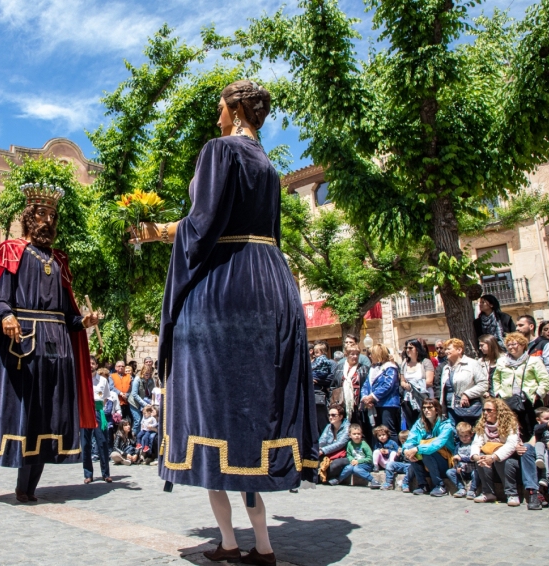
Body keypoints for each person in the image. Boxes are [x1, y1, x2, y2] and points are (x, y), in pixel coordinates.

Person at [134, 80, 318, 565]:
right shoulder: (270, 167)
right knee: (254, 420)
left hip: (226, 288)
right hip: (273, 284)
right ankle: (261, 545)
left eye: (220, 105)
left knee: (213, 418)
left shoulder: (220, 151)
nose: (216, 113)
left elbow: (202, 225)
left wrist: (155, 232)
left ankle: (231, 542)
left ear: (235, 109)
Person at [0, 181, 100, 505]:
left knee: (47, 420)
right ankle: (22, 487)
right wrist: (6, 316)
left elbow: (68, 315)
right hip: (23, 348)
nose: (48, 220)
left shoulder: (59, 261)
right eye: (41, 213)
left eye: (52, 215)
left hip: (57, 351)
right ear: (29, 217)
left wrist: (83, 321)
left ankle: (31, 487)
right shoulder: (13, 251)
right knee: (26, 418)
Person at [492, 332, 549, 441]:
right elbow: (496, 379)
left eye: (514, 344)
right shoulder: (501, 361)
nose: (511, 347)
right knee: (513, 430)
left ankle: (532, 452)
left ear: (523, 345)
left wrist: (538, 394)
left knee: (531, 429)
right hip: (508, 401)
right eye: (508, 345)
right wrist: (498, 393)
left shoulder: (534, 360)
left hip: (529, 402)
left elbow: (545, 380)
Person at [471, 398, 521, 506]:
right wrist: (476, 457)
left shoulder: (511, 423)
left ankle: (511, 494)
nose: (485, 413)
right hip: (489, 454)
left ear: (498, 411)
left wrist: (493, 457)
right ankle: (488, 492)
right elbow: (476, 443)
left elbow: (511, 444)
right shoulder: (482, 424)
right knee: (481, 458)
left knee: (503, 461)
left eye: (489, 410)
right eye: (484, 410)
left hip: (508, 457)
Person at [402, 399, 455, 497]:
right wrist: (406, 450)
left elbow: (436, 445)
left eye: (429, 407)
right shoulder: (419, 423)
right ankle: (423, 484)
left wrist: (417, 449)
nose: (426, 410)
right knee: (411, 451)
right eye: (424, 408)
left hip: (445, 462)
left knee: (425, 451)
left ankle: (440, 485)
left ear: (437, 410)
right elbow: (410, 440)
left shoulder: (446, 425)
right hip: (427, 462)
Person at [438, 338, 488, 426]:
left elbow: (483, 384)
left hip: (468, 409)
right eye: (445, 349)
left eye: (449, 349)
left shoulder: (472, 364)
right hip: (450, 409)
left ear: (459, 350)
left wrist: (467, 394)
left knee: (469, 434)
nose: (446, 352)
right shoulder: (446, 368)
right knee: (455, 435)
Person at [360, 344, 401, 443]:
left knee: (388, 430)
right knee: (376, 431)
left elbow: (388, 385)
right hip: (374, 404)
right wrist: (365, 397)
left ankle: (393, 453)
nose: (370, 356)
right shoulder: (373, 368)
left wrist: (372, 396)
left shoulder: (390, 367)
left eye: (372, 354)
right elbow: (366, 384)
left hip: (388, 404)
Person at [82, 356, 111, 484]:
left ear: (96, 365)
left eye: (93, 363)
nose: (91, 365)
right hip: (85, 411)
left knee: (102, 441)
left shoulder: (103, 380)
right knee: (86, 443)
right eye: (89, 363)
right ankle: (88, 474)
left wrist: (99, 409)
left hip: (98, 410)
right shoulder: (82, 379)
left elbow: (105, 397)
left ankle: (106, 473)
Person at [399, 339, 435, 428]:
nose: (408, 350)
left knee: (426, 422)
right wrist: (405, 385)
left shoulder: (425, 362)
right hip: (408, 398)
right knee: (412, 424)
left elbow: (429, 381)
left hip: (424, 398)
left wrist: (414, 385)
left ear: (417, 349)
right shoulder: (404, 363)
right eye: (406, 348)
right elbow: (402, 381)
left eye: (410, 348)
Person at [517, 315, 549, 386]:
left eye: (521, 325)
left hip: (542, 390)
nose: (517, 328)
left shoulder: (545, 344)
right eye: (517, 325)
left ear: (531, 326)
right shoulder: (519, 347)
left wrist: (546, 391)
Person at [330, 345, 365, 425]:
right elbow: (333, 386)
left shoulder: (364, 369)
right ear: (346, 355)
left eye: (357, 354)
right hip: (342, 406)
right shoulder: (339, 368)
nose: (355, 356)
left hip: (358, 406)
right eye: (352, 354)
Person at [317, 404, 350, 484]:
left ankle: (321, 476)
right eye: (329, 415)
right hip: (328, 455)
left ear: (341, 417)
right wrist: (318, 449)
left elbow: (340, 444)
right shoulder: (328, 426)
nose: (330, 417)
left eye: (333, 415)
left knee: (334, 465)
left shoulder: (347, 427)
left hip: (342, 456)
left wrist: (323, 450)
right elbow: (322, 441)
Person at [446, 421, 477, 498]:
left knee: (477, 473)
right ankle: (461, 488)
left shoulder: (474, 444)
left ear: (471, 434)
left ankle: (472, 490)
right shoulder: (458, 445)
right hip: (462, 470)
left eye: (466, 436)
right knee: (449, 472)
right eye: (461, 436)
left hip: (472, 469)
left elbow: (473, 458)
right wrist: (457, 467)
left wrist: (462, 458)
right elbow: (456, 458)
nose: (464, 438)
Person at [128, 363, 155, 437]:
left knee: (144, 421)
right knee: (138, 420)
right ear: (142, 372)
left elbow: (153, 391)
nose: (148, 375)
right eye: (146, 373)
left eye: (149, 374)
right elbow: (134, 394)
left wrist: (152, 402)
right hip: (134, 402)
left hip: (144, 402)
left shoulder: (151, 380)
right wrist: (145, 404)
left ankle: (139, 439)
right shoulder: (137, 379)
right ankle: (132, 438)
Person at [311, 343, 333, 432]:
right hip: (314, 395)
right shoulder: (316, 360)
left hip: (320, 394)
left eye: (317, 352)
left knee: (322, 420)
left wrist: (311, 370)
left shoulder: (322, 360)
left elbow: (330, 378)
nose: (315, 354)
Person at [109, 360, 132, 425]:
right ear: (115, 367)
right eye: (119, 366)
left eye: (122, 366)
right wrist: (121, 393)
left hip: (128, 402)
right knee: (118, 421)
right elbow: (111, 387)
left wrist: (126, 395)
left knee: (128, 421)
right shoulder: (112, 376)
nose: (121, 367)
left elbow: (131, 388)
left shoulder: (129, 376)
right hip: (117, 403)